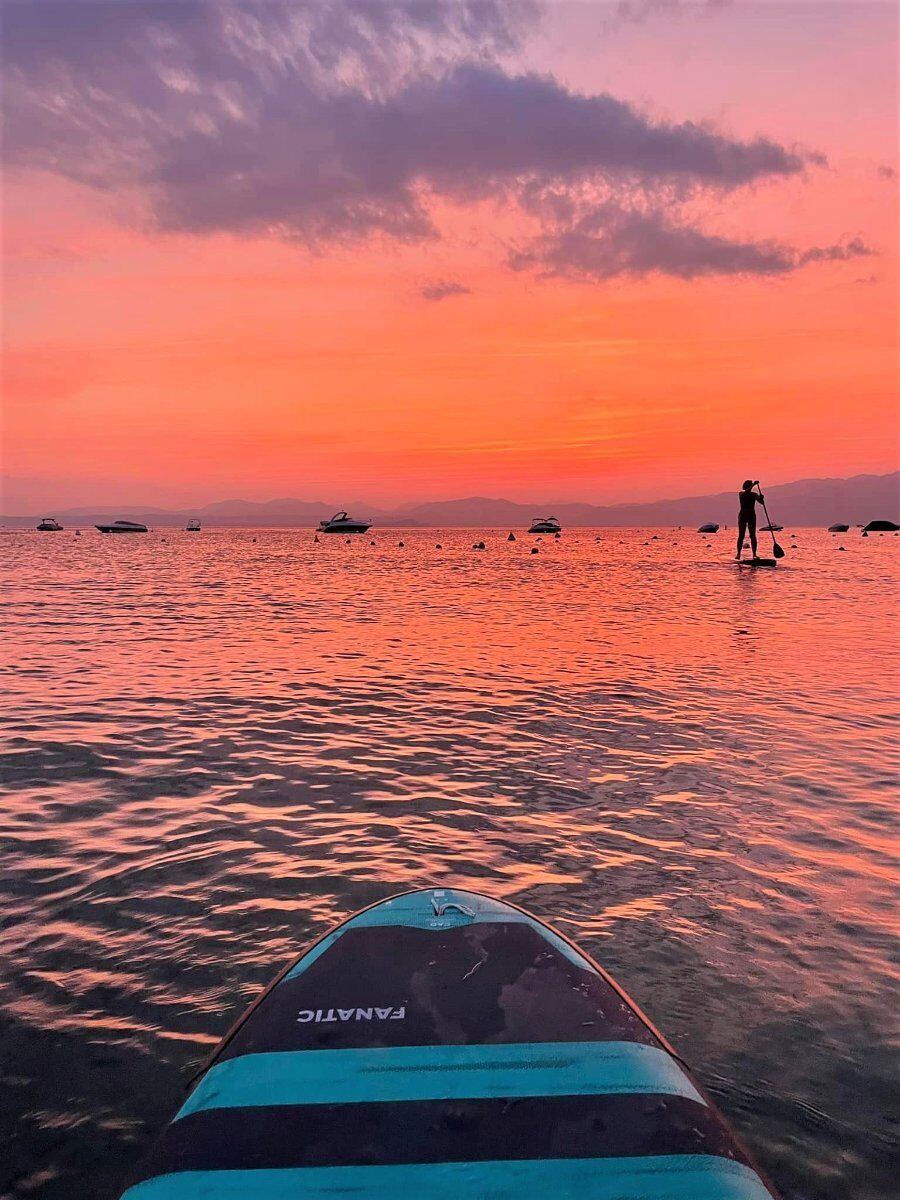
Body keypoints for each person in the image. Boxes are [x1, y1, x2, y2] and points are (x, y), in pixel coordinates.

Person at [736, 480, 763, 559]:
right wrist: (753, 485)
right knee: (741, 535)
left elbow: (761, 503)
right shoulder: (741, 494)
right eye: (750, 485)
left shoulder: (754, 495)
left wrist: (761, 498)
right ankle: (738, 554)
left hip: (751, 516)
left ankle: (754, 554)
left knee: (753, 535)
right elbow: (746, 492)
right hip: (743, 516)